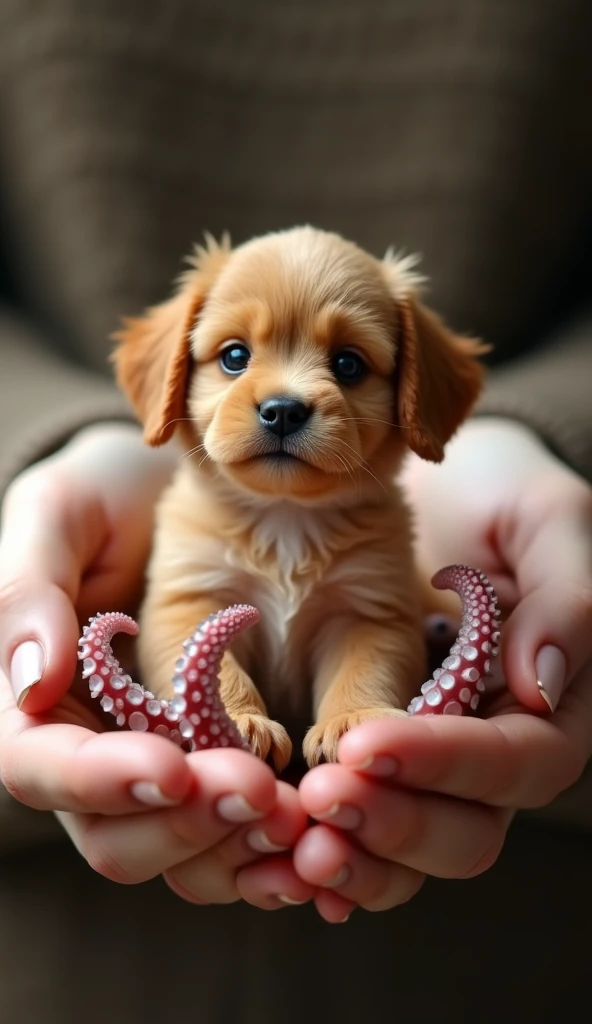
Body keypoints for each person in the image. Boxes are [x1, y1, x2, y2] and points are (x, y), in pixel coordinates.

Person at [1, 0, 591, 1020]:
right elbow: (178, 624)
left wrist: (359, 713)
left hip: (500, 958)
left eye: (347, 364)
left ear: (415, 399)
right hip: (68, 965)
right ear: (165, 380)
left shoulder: (383, 532)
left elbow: (374, 624)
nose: (280, 395)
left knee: (367, 625)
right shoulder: (184, 524)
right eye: (233, 355)